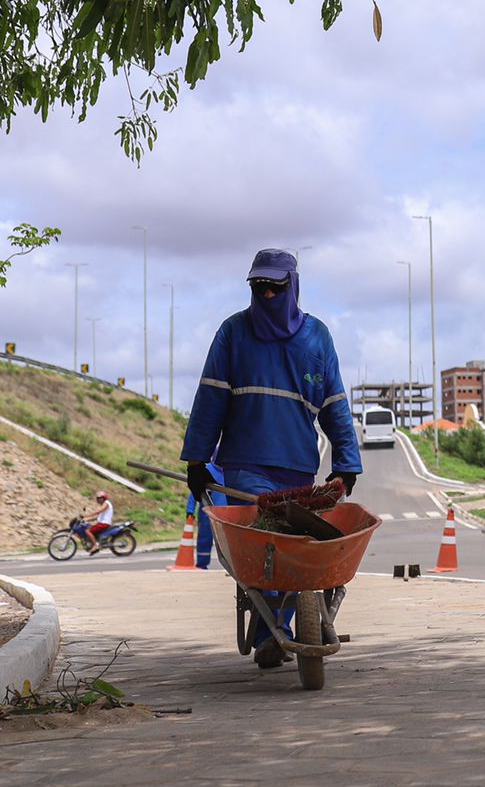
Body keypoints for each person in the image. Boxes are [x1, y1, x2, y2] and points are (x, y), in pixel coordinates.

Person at [180, 248, 361, 667]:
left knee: (296, 551)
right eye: (259, 287)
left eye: (275, 288)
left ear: (292, 287)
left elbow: (335, 403)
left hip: (299, 468)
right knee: (267, 545)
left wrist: (347, 462)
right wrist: (197, 461)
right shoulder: (233, 333)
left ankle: (282, 628)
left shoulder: (317, 337)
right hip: (245, 465)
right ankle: (269, 634)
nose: (266, 294)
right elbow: (210, 399)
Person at [184, 457, 226, 569]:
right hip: (207, 512)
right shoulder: (206, 470)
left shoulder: (231, 473)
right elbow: (194, 492)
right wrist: (190, 510)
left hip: (226, 515)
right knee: (204, 538)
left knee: (228, 541)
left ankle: (231, 564)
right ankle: (202, 564)